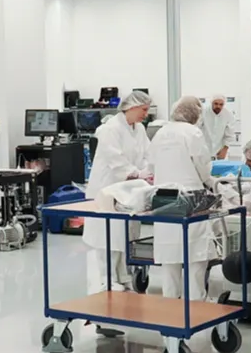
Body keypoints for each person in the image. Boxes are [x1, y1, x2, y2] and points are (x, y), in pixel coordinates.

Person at [83, 90, 153, 293]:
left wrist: (148, 171)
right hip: (108, 190)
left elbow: (147, 153)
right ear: (132, 107)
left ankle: (123, 276)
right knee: (109, 236)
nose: (146, 114)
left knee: (127, 235)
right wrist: (137, 173)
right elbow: (116, 160)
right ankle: (107, 278)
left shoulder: (139, 128)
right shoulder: (109, 129)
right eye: (144, 109)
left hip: (129, 191)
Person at [148, 96, 214, 302]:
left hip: (163, 196)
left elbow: (151, 165)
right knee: (196, 253)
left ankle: (170, 302)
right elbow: (202, 165)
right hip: (191, 195)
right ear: (195, 114)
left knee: (170, 253)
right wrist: (210, 183)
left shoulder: (160, 133)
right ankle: (196, 301)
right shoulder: (192, 132)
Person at [198, 94, 235, 159]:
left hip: (220, 150)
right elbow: (196, 129)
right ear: (211, 103)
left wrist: (225, 150)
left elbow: (230, 134)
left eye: (221, 104)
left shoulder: (228, 114)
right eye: (216, 103)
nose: (218, 106)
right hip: (204, 149)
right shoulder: (203, 113)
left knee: (221, 165)